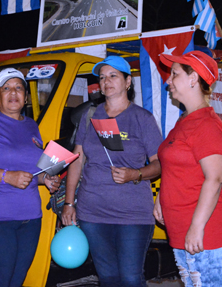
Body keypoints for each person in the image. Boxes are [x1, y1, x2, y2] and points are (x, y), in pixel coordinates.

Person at [61, 56, 162, 287]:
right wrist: (69, 203)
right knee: (108, 278)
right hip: (92, 213)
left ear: (128, 82)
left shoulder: (142, 118)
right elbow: (76, 160)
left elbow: (159, 163)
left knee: (130, 278)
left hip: (132, 215)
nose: (106, 81)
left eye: (113, 75)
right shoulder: (90, 116)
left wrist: (134, 174)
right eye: (102, 77)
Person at [0, 68, 59, 287]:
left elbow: (31, 170)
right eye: (6, 88)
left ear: (25, 97)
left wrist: (46, 179)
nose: (13, 92)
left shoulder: (31, 125)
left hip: (29, 219)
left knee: (16, 282)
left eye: (18, 88)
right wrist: (6, 176)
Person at [153, 50, 222, 287]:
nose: (167, 80)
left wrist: (196, 227)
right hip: (182, 230)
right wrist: (161, 197)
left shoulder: (206, 124)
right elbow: (176, 167)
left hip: (205, 234)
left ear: (193, 79)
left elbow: (215, 178)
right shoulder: (184, 121)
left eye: (174, 74)